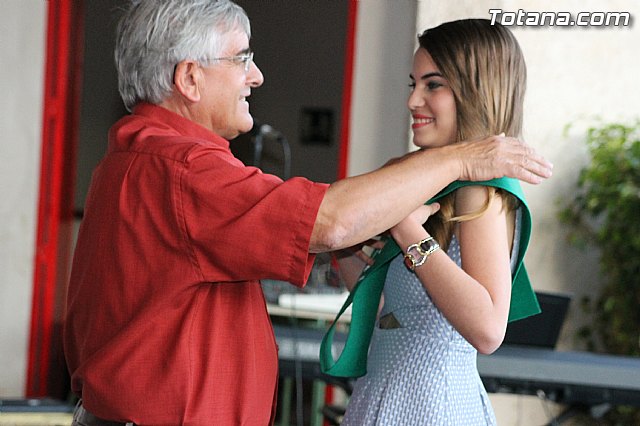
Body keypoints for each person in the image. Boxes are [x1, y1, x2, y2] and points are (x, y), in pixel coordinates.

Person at [63, 1, 552, 424]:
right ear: (190, 78)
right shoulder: (184, 167)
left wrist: (380, 231)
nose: (256, 75)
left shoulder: (142, 155)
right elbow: (331, 224)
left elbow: (477, 324)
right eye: (242, 59)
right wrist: (447, 172)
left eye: (433, 85)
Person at [336, 19, 539, 425]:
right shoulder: (438, 182)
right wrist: (344, 250)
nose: (413, 101)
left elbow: (488, 329)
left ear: (475, 91)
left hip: (431, 406)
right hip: (388, 395)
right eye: (413, 84)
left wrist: (407, 231)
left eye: (432, 85)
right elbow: (392, 314)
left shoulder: (479, 191)